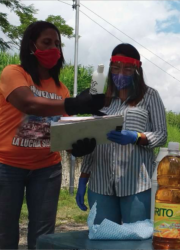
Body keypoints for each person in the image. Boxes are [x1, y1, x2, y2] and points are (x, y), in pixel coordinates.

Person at [0, 21, 105, 249]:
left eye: (57, 44)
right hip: (7, 166)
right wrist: (75, 104)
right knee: (4, 233)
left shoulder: (61, 88)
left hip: (47, 170)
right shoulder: (13, 73)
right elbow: (29, 104)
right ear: (31, 45)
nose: (54, 49)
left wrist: (77, 146)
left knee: (43, 237)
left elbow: (58, 133)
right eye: (46, 43)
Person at [75, 43, 167, 225]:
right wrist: (83, 178)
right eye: (116, 68)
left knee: (136, 238)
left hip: (137, 184)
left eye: (127, 69)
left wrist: (137, 137)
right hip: (100, 183)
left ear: (137, 70)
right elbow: (93, 142)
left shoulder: (150, 96)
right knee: (103, 238)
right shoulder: (101, 99)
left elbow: (162, 134)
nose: (121, 73)